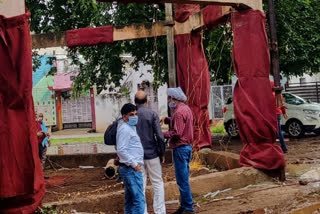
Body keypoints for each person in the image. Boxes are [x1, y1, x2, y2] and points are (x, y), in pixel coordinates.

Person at [161, 87, 195, 214]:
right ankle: (185, 205)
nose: (170, 100)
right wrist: (168, 120)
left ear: (175, 99)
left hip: (180, 148)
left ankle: (188, 207)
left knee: (182, 180)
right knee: (184, 178)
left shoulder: (179, 112)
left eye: (171, 98)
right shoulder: (186, 109)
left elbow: (177, 132)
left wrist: (162, 134)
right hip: (187, 147)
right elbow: (181, 124)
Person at [135, 91, 166, 214]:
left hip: (137, 157)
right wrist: (162, 152)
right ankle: (159, 211)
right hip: (152, 154)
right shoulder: (152, 114)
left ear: (135, 102)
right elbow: (159, 136)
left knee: (140, 185)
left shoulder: (131, 116)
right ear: (146, 101)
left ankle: (143, 211)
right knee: (157, 182)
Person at [117, 103, 145, 214]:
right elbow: (121, 150)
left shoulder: (129, 127)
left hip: (129, 169)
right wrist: (134, 164)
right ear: (124, 117)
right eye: (131, 114)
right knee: (138, 200)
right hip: (131, 169)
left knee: (130, 200)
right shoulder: (125, 129)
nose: (134, 117)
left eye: (135, 114)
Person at [271, 82, 288, 153]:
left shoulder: (270, 94)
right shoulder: (278, 94)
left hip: (272, 113)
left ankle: (282, 147)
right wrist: (284, 112)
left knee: (274, 130)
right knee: (278, 130)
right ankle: (283, 148)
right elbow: (281, 103)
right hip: (277, 113)